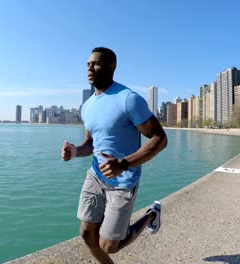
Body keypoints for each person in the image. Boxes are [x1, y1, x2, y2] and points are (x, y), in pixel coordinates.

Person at [61, 47, 168, 263]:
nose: (90, 68)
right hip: (95, 176)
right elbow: (91, 143)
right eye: (88, 64)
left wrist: (124, 163)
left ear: (112, 66)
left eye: (96, 63)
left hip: (123, 181)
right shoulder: (88, 106)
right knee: (86, 234)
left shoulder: (128, 99)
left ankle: (151, 215)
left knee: (109, 245)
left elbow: (159, 139)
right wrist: (75, 151)